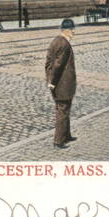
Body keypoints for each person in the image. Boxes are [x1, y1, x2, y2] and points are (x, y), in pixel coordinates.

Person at [45, 18, 77, 149]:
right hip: (62, 84)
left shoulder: (55, 40)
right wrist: (52, 82)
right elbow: (58, 65)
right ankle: (59, 140)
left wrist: (48, 79)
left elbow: (48, 62)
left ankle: (66, 134)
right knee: (62, 110)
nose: (74, 33)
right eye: (73, 31)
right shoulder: (65, 45)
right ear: (68, 31)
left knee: (65, 108)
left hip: (56, 83)